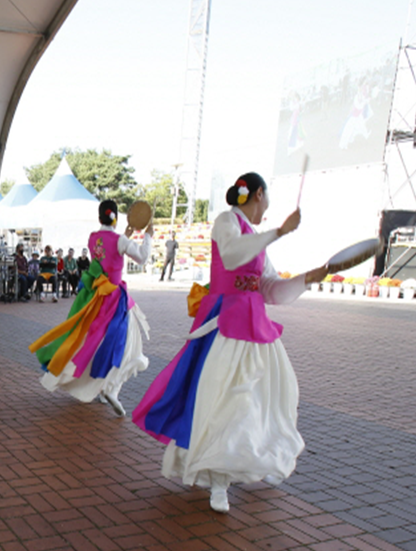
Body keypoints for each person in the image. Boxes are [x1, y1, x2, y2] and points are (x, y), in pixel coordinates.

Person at [132, 173, 327, 513]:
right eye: (267, 199)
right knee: (222, 398)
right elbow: (233, 255)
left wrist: (306, 279)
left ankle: (263, 458)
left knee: (268, 397)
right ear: (259, 194)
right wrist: (279, 232)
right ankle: (218, 480)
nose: (268, 207)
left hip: (255, 326)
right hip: (224, 323)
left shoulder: (255, 237)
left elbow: (270, 289)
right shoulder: (227, 221)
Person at [30, 200, 153, 417]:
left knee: (90, 341)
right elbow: (141, 257)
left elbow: (110, 249)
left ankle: (98, 385)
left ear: (99, 217)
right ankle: (111, 388)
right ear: (116, 218)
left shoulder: (93, 237)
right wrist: (148, 235)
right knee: (125, 344)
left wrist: (124, 235)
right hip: (115, 300)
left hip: (95, 298)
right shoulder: (120, 240)